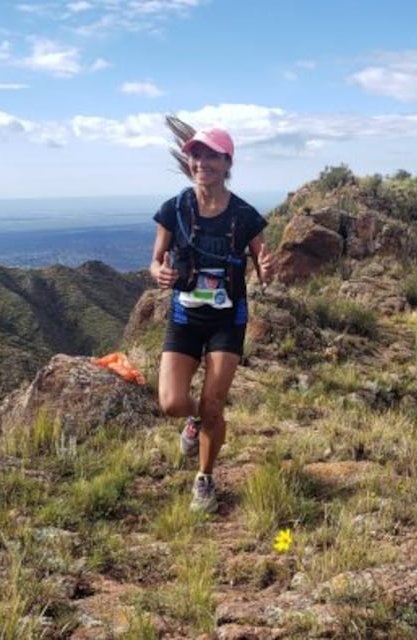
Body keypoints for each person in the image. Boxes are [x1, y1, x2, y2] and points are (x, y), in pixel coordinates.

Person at [149, 125, 272, 513]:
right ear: (190, 162)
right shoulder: (174, 209)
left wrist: (268, 268)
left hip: (227, 318)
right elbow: (155, 262)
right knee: (172, 402)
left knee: (214, 405)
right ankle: (194, 423)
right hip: (185, 314)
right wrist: (159, 273)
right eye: (196, 156)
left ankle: (204, 477)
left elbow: (264, 264)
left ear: (227, 163)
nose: (202, 163)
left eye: (212, 156)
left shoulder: (245, 216)